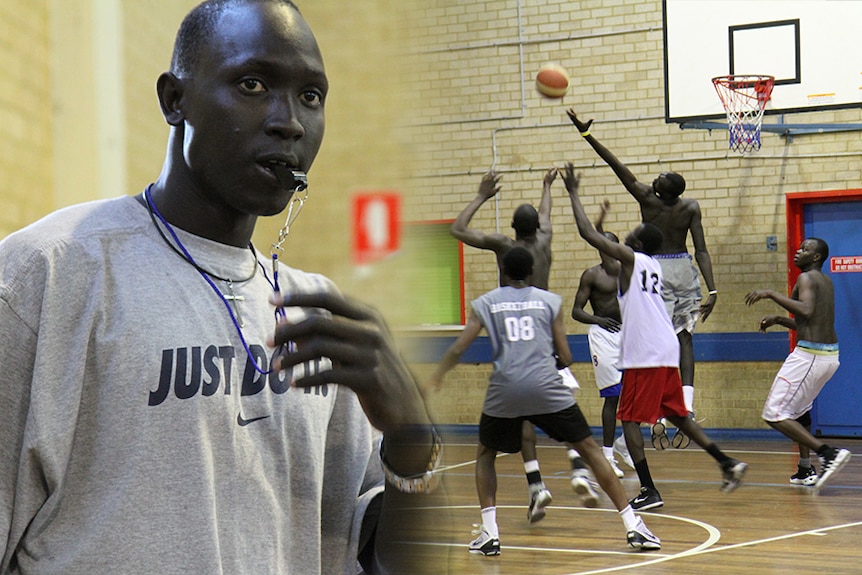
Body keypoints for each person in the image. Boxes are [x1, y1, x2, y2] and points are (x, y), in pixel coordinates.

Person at [0, 2, 444, 574]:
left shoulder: (321, 319)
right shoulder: (46, 275)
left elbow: (384, 563)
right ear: (173, 99)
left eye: (311, 95)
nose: (290, 121)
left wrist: (412, 438)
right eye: (253, 83)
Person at [427, 247, 661, 555]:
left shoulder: (485, 303)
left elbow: (458, 348)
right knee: (590, 450)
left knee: (485, 454)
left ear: (504, 273)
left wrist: (437, 375)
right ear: (532, 274)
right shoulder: (550, 302)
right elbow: (565, 356)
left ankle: (490, 533)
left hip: (505, 390)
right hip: (546, 387)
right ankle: (633, 526)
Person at [563, 164, 747, 512]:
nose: (629, 234)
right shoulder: (652, 264)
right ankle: (727, 463)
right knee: (677, 415)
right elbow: (603, 242)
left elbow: (589, 235)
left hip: (644, 352)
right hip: (666, 348)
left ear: (635, 244)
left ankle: (648, 489)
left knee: (629, 419)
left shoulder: (631, 260)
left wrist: (573, 193)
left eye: (632, 233)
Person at [567, 108, 718, 450]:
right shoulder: (690, 206)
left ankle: (656, 413)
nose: (654, 179)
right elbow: (702, 250)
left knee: (652, 336)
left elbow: (616, 166)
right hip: (684, 268)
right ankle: (685, 406)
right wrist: (712, 287)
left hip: (656, 267)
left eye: (660, 179)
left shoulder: (647, 200)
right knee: (683, 338)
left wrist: (587, 135)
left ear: (664, 193)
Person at [450, 168, 596, 521]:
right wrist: (547, 187)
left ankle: (537, 484)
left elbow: (457, 229)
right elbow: (545, 216)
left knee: (523, 413)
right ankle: (572, 469)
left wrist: (482, 196)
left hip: (515, 328)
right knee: (560, 403)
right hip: (544, 323)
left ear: (514, 229)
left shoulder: (505, 246)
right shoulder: (544, 240)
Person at [745, 237, 851, 489]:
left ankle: (828, 453)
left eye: (805, 249)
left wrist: (769, 293)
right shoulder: (825, 281)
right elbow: (810, 323)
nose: (797, 251)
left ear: (816, 257)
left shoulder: (806, 278)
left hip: (810, 356)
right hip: (827, 356)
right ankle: (805, 469)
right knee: (799, 412)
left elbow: (805, 310)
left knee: (774, 414)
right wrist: (780, 320)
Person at [570, 200, 634, 478]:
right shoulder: (591, 275)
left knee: (637, 393)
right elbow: (575, 311)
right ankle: (607, 455)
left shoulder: (628, 271)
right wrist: (598, 319)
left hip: (628, 335)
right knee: (613, 396)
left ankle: (622, 443)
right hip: (602, 336)